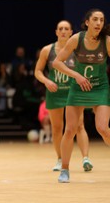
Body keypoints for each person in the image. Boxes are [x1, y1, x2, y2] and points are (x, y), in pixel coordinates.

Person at [53, 9, 110, 183]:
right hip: (78, 88)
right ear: (87, 22)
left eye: (101, 20)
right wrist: (76, 75)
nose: (98, 23)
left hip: (99, 88)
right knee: (70, 130)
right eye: (95, 19)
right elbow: (56, 63)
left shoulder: (106, 41)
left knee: (102, 128)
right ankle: (65, 169)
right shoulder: (76, 39)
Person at [34, 20, 92, 171]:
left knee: (79, 125)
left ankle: (85, 158)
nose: (64, 31)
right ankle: (60, 159)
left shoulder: (78, 50)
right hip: (55, 92)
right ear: (56, 32)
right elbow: (37, 71)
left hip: (73, 92)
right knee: (57, 127)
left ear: (71, 32)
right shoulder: (47, 50)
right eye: (61, 28)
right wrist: (46, 81)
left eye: (67, 28)